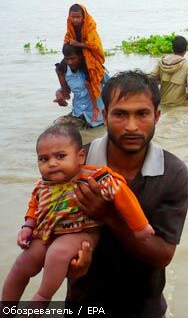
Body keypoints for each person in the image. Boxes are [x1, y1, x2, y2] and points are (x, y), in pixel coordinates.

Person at [66, 70, 188, 317]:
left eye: (142, 114)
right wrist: (67, 262)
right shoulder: (76, 165)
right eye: (120, 114)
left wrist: (109, 215)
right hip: (83, 304)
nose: (131, 126)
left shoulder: (172, 173)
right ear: (104, 115)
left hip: (144, 308)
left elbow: (163, 255)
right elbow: (50, 230)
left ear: (157, 116)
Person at [2, 124, 153, 304]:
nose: (52, 163)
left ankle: (42, 298)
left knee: (58, 253)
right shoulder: (44, 184)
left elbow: (123, 196)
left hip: (81, 232)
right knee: (22, 263)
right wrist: (28, 225)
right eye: (44, 159)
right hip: (46, 232)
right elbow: (35, 205)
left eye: (60, 156)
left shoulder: (95, 178)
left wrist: (140, 226)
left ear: (80, 156)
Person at [56, 4, 106, 125]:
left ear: (83, 17)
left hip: (88, 56)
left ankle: (95, 108)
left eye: (78, 17)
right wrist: (61, 92)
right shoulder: (70, 27)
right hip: (76, 53)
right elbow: (67, 42)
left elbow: (96, 46)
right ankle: (65, 93)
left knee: (89, 81)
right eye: (73, 17)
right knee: (59, 69)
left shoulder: (90, 28)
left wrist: (78, 44)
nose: (75, 20)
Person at [53, 44, 109, 129]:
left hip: (99, 119)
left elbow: (112, 86)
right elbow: (67, 92)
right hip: (78, 114)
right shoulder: (64, 71)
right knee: (57, 127)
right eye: (67, 59)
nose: (69, 62)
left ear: (80, 57)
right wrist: (59, 93)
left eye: (72, 58)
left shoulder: (95, 70)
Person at [150, 35, 188, 106]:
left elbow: (151, 80)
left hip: (163, 103)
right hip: (180, 105)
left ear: (172, 49)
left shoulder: (161, 62)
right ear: (185, 50)